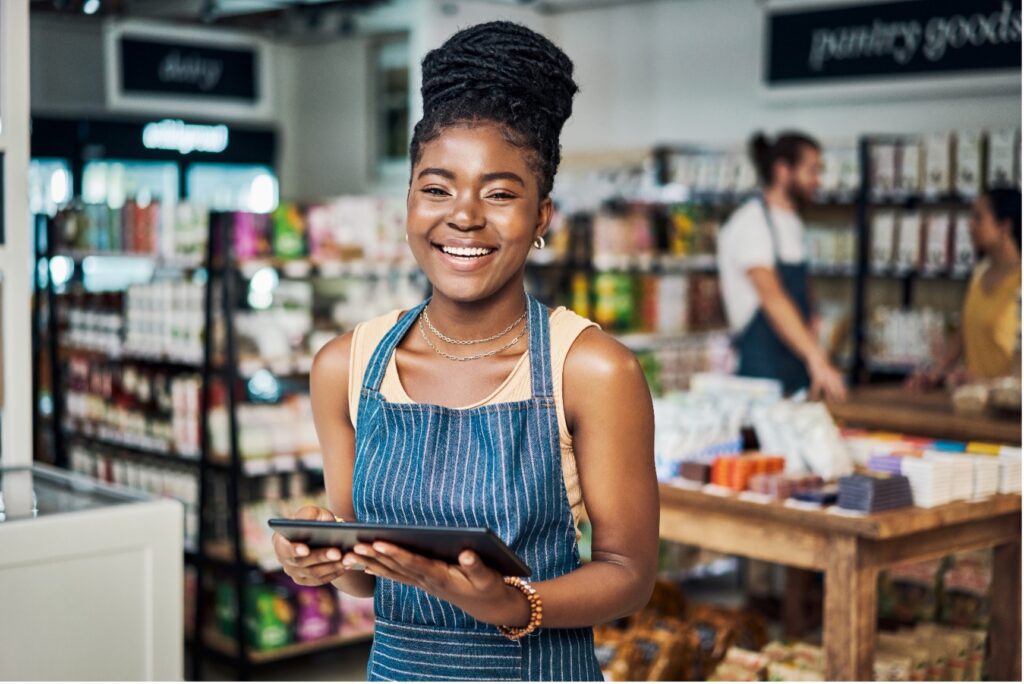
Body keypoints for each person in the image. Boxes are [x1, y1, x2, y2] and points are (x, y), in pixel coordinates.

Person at [271, 22, 658, 681]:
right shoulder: (346, 367)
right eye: (437, 187)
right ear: (409, 201)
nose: (465, 216)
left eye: (501, 193)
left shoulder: (591, 370)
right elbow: (367, 581)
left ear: (542, 218)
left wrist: (513, 602)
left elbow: (629, 575)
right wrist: (318, 560)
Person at [717, 131, 847, 401]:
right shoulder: (751, 224)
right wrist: (816, 358)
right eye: (811, 170)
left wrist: (816, 332)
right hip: (762, 373)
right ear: (782, 170)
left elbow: (802, 290)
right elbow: (773, 297)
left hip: (796, 366)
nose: (817, 180)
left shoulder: (792, 223)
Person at [907, 187, 1022, 390]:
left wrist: (986, 384)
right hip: (973, 404)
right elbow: (963, 332)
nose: (970, 226)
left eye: (978, 218)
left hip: (1009, 411)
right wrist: (937, 373)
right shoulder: (979, 274)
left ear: (1005, 226)